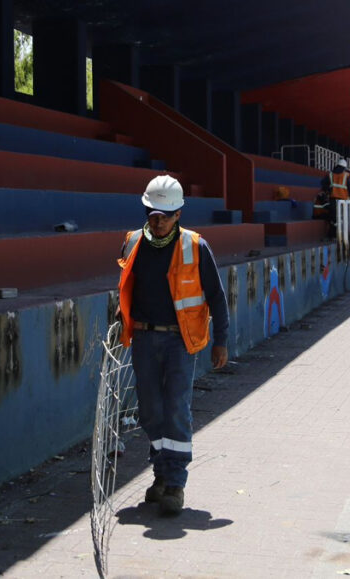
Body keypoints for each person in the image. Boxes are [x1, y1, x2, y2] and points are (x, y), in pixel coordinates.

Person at [116, 175, 229, 516]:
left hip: (181, 341)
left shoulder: (196, 247)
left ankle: (175, 484)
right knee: (150, 410)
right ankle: (161, 474)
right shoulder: (132, 243)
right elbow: (124, 289)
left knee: (176, 408)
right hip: (145, 338)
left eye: (166, 215)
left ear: (179, 214)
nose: (159, 220)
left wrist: (221, 341)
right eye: (153, 213)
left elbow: (217, 297)